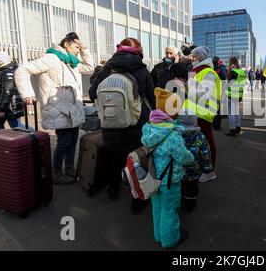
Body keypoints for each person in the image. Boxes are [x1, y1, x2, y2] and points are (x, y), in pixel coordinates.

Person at [15, 32, 94, 185]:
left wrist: (85, 49)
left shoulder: (72, 62)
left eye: (80, 47)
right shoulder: (51, 59)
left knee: (72, 142)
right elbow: (22, 70)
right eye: (76, 47)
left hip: (73, 109)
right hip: (59, 109)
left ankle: (69, 168)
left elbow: (89, 67)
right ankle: (56, 173)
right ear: (66, 44)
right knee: (64, 142)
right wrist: (27, 94)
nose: (78, 50)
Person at [89, 38, 155, 214]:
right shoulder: (141, 70)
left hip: (110, 124)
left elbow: (91, 93)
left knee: (114, 158)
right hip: (135, 125)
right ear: (138, 50)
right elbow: (152, 98)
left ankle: (113, 189)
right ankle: (137, 200)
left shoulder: (108, 68)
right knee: (136, 161)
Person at [141, 88, 194, 249]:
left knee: (157, 208)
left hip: (153, 177)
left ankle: (159, 235)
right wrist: (191, 157)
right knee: (170, 210)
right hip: (169, 180)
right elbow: (184, 157)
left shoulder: (149, 127)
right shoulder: (172, 135)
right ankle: (170, 240)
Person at [187, 47, 221, 183]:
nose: (192, 58)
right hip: (196, 111)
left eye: (194, 56)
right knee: (201, 142)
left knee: (208, 141)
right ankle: (205, 167)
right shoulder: (196, 71)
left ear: (200, 57)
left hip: (204, 112)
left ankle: (211, 171)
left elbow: (203, 94)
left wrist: (186, 88)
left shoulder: (207, 72)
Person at [0, 52, 24, 130]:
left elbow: (7, 92)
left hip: (9, 108)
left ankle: (35, 136)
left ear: (1, 60)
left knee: (17, 128)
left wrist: (1, 109)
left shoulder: (8, 72)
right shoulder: (0, 71)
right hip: (0, 106)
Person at [225, 58, 247, 137]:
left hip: (232, 94)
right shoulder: (241, 71)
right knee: (236, 112)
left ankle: (232, 130)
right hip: (239, 94)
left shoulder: (233, 72)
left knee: (231, 113)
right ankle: (238, 128)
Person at [212, 56, 227, 130]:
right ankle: (214, 123)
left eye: (214, 61)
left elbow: (223, 79)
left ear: (218, 61)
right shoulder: (214, 67)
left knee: (218, 109)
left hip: (220, 90)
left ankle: (217, 125)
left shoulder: (222, 68)